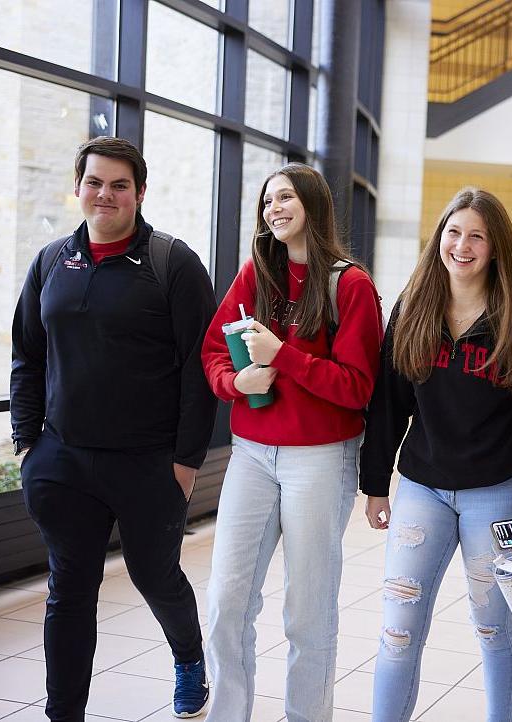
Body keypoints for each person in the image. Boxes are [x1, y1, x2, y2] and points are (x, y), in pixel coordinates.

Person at [11, 136, 217, 721]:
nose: (106, 194)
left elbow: (197, 370)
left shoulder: (171, 263)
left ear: (140, 193)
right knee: (69, 592)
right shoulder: (52, 261)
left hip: (148, 462)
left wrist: (185, 462)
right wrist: (29, 442)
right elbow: (27, 353)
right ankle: (64, 714)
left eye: (119, 184)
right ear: (78, 188)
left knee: (156, 576)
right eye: (95, 182)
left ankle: (188, 659)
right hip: (63, 461)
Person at [360, 187, 512, 722]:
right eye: (454, 232)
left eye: (477, 236)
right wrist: (375, 481)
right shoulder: (414, 306)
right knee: (398, 629)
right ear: (439, 238)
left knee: (497, 630)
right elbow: (388, 401)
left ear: (497, 248)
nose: (462, 245)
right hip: (422, 490)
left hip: (500, 499)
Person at [200, 163, 384, 722]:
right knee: (226, 602)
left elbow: (357, 388)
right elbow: (212, 351)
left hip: (320, 459)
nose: (273, 208)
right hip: (252, 454)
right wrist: (238, 383)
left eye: (284, 197)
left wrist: (283, 356)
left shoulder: (350, 285)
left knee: (307, 611)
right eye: (267, 200)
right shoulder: (257, 274)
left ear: (312, 204)